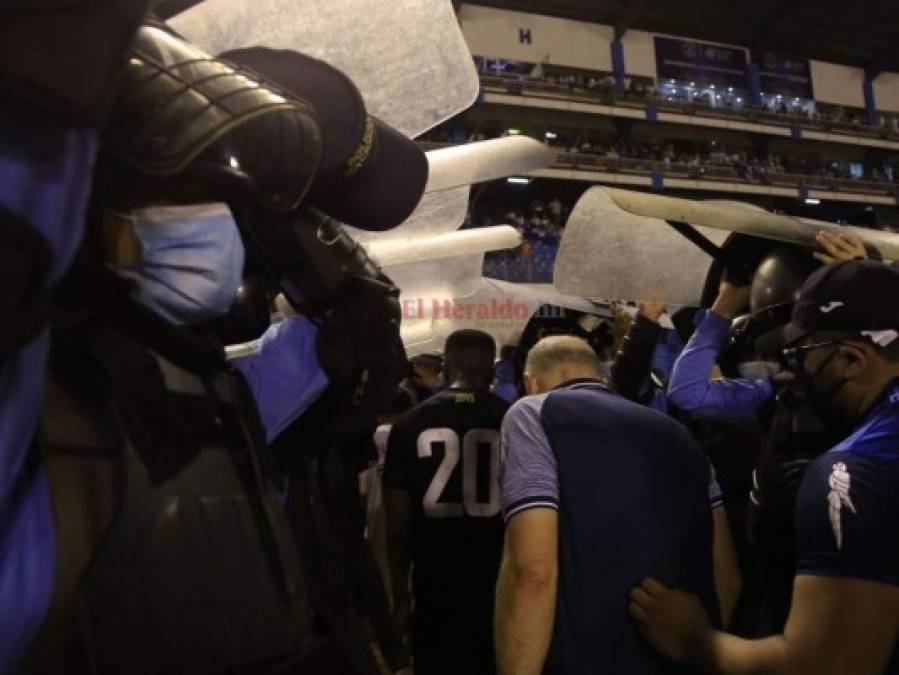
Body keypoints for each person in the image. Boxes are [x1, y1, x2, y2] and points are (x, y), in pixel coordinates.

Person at [630, 260, 899, 675]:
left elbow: (823, 665)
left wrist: (694, 640)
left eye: (800, 352)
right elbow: (690, 393)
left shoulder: (852, 471)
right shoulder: (778, 399)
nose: (792, 366)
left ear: (852, 360)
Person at [495, 335, 722, 675]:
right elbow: (725, 572)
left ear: (531, 381)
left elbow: (532, 573)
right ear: (600, 376)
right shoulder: (679, 434)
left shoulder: (532, 413)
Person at [384, 330, 509, 675]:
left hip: (434, 580)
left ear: (445, 368)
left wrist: (400, 595)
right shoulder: (515, 420)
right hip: (498, 579)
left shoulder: (408, 424)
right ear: (492, 372)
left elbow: (397, 523)